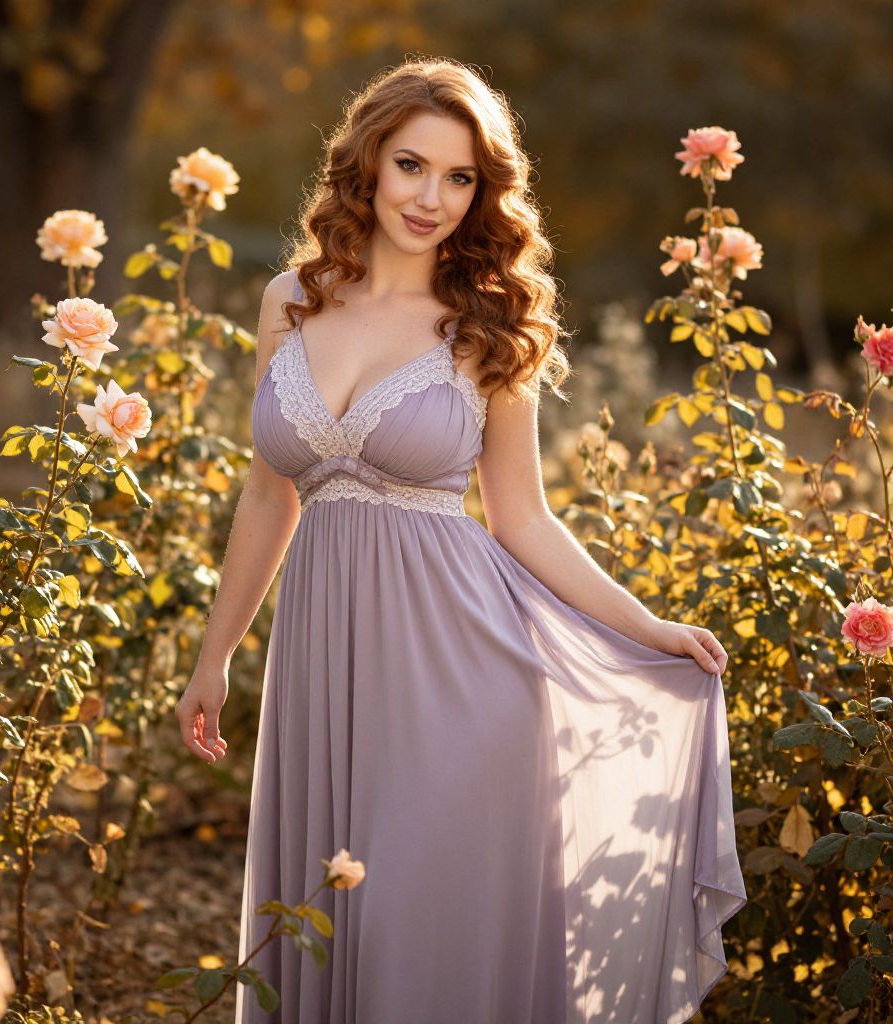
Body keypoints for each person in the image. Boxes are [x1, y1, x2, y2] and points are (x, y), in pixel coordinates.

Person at [175, 56, 747, 1024]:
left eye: (459, 177)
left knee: (412, 939)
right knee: (321, 916)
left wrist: (648, 627)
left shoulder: (491, 322)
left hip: (462, 674)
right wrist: (214, 655)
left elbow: (522, 518)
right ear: (367, 162)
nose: (430, 198)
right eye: (411, 165)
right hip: (321, 668)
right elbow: (269, 496)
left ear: (484, 192)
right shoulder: (291, 300)